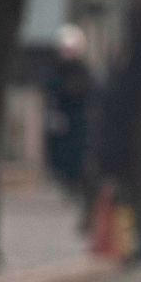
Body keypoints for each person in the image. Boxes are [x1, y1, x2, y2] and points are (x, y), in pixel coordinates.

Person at [43, 24, 96, 221]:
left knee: (77, 156)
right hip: (62, 122)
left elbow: (86, 91)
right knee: (61, 156)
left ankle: (76, 187)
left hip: (78, 122)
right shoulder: (56, 70)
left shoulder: (83, 71)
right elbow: (52, 92)